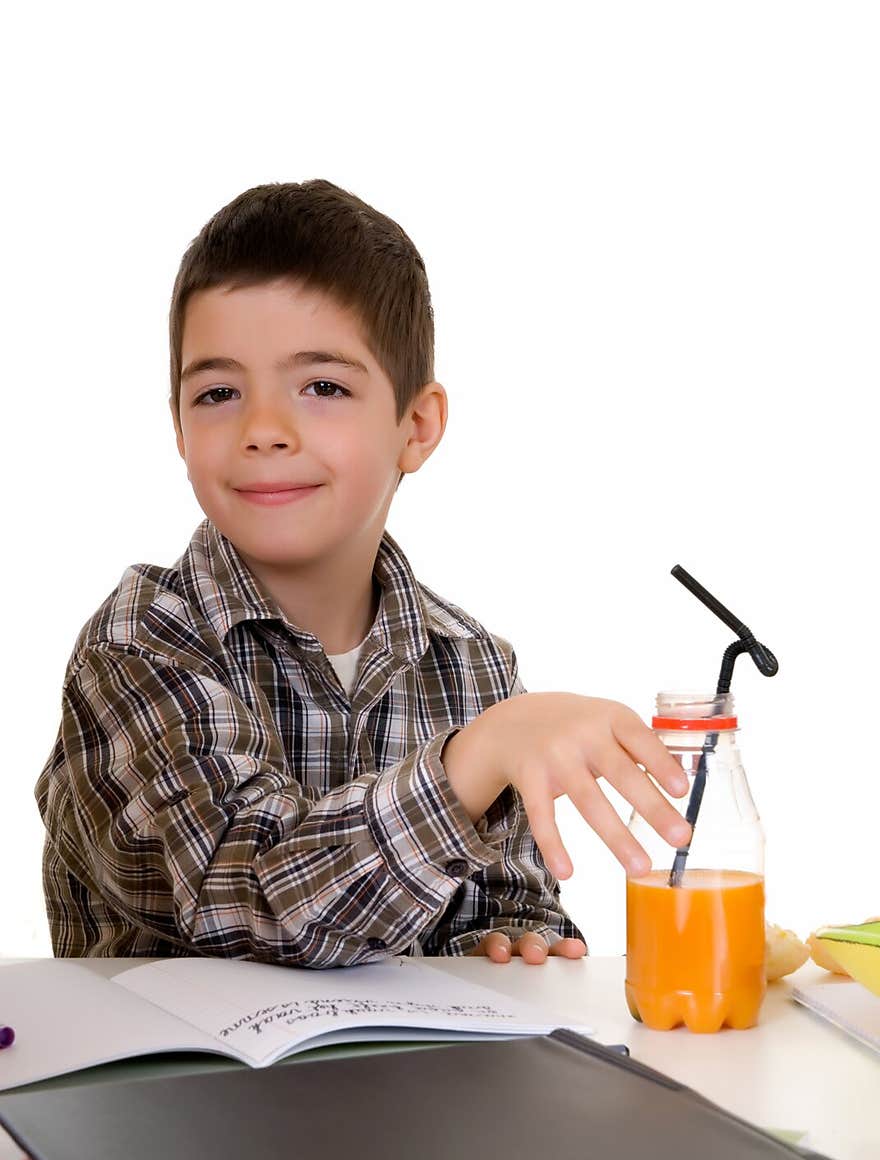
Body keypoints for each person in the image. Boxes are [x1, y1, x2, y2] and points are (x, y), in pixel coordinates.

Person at [34, 180, 691, 969]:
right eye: (218, 392)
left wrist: (512, 936)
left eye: (322, 387)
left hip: (407, 1090)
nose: (264, 430)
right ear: (177, 423)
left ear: (415, 426)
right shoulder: (138, 647)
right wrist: (467, 765)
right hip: (180, 1089)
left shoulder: (474, 665)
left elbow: (504, 902)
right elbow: (244, 894)